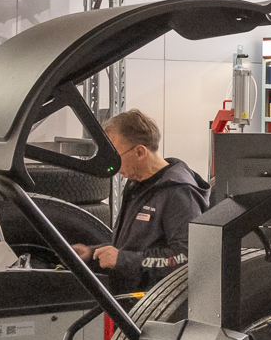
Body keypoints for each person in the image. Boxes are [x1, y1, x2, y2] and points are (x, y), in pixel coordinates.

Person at [71, 109, 211, 293]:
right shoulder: (136, 184)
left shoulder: (179, 192)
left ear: (139, 152)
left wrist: (122, 260)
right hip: (131, 298)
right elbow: (133, 246)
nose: (111, 165)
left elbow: (184, 258)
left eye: (115, 156)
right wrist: (92, 253)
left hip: (156, 303)